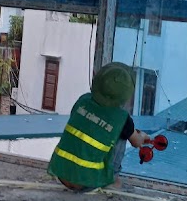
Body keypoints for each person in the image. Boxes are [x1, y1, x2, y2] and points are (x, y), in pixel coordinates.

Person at [48, 62, 150, 192]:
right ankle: (112, 178)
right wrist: (143, 136)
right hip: (87, 183)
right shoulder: (121, 119)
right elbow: (136, 142)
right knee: (122, 135)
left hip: (60, 172)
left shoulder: (83, 100)